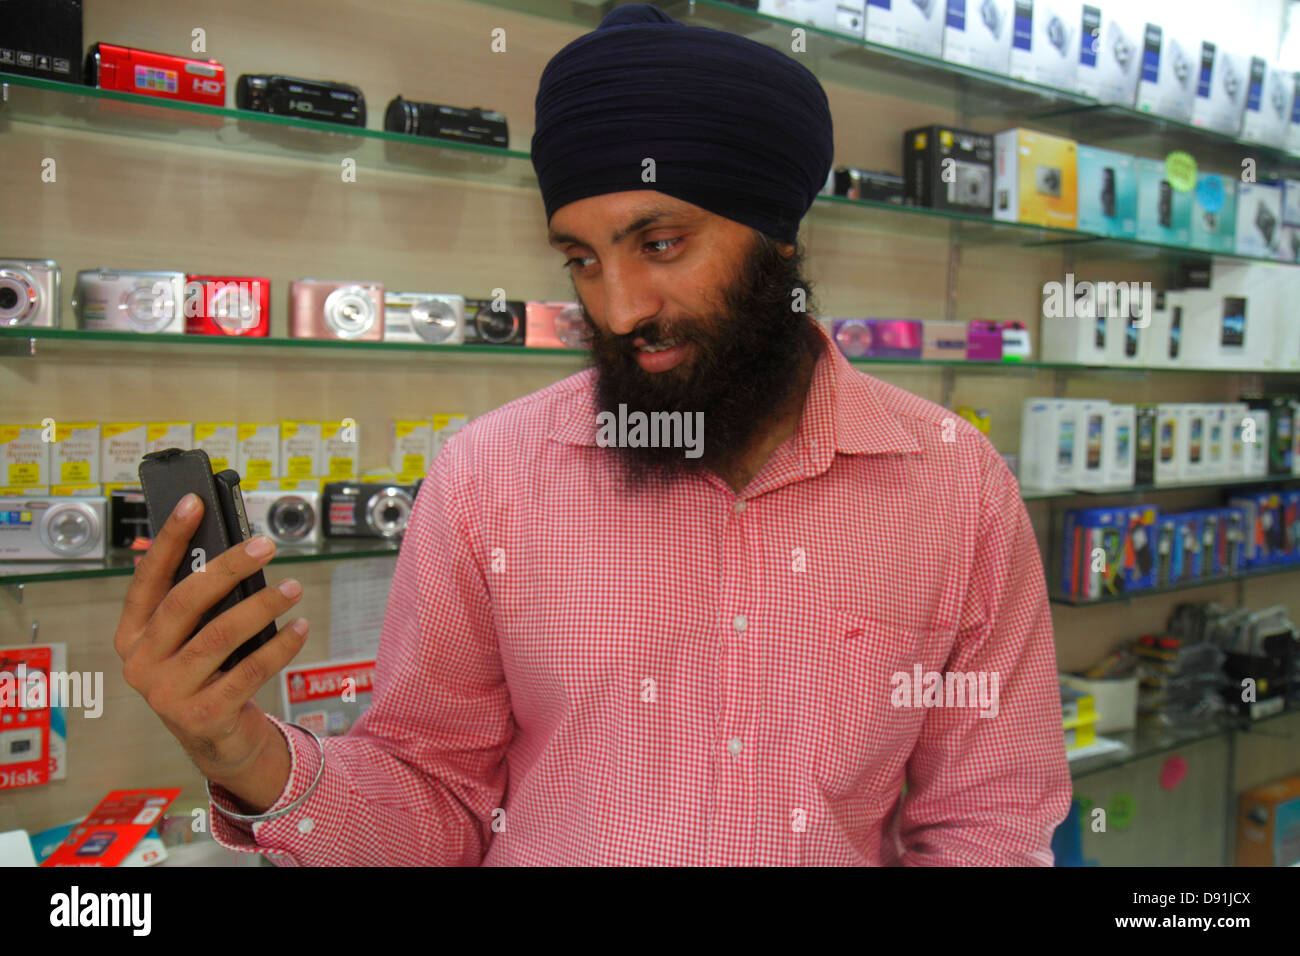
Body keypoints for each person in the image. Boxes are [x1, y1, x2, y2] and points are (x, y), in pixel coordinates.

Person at [113, 3, 1071, 865]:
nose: (618, 309)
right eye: (581, 258)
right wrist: (244, 752)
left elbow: (990, 819)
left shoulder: (954, 486)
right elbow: (438, 801)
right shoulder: (489, 475)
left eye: (661, 244)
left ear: (777, 235)